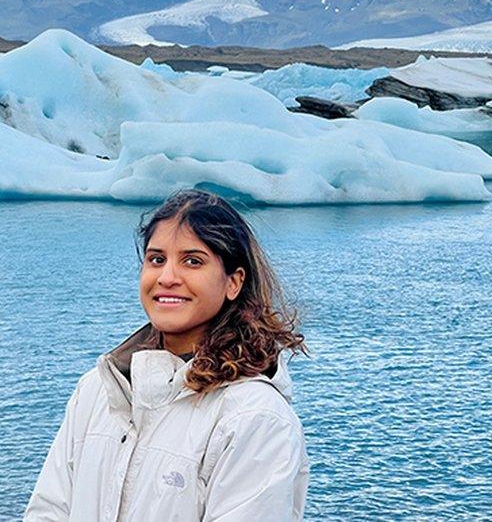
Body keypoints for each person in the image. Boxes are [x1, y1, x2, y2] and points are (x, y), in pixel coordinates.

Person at [25, 189, 309, 521]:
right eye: (156, 259)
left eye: (193, 261)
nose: (167, 277)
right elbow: (48, 510)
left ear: (234, 282)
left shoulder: (254, 418)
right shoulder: (100, 390)